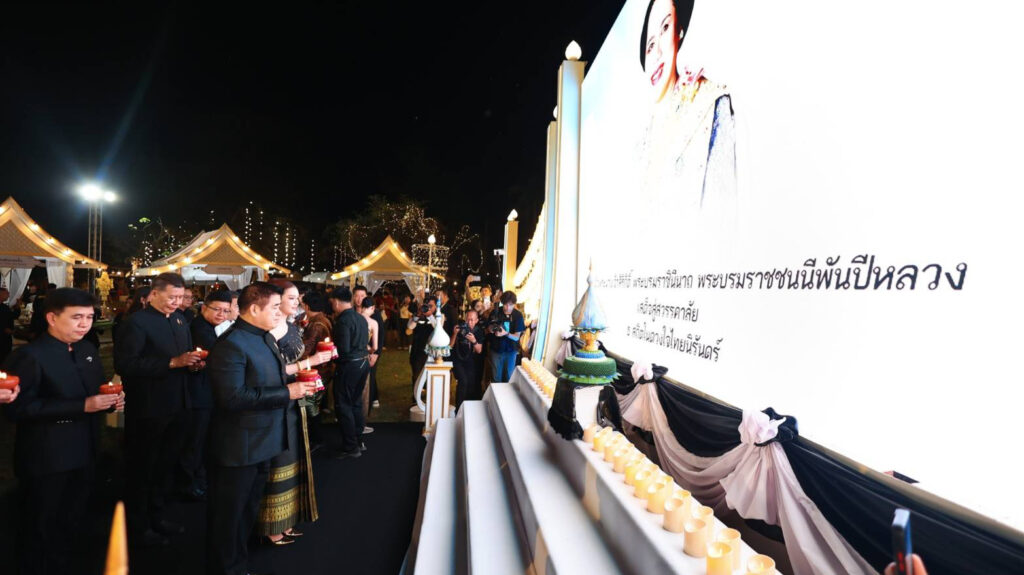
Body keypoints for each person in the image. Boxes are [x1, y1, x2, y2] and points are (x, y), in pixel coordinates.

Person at [3, 288, 124, 574]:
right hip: (47, 457)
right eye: (77, 317)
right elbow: (16, 410)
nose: (84, 324)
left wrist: (110, 401)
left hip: (86, 450)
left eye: (90, 318)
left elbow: (94, 392)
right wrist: (83, 405)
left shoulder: (87, 350)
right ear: (51, 318)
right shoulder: (30, 356)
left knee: (72, 522)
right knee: (40, 527)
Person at [206, 282, 318, 575]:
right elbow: (231, 397)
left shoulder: (265, 339)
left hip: (264, 440)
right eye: (275, 307)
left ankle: (239, 561)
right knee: (229, 514)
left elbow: (275, 376)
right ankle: (226, 566)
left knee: (248, 509)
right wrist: (287, 393)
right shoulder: (231, 344)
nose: (280, 312)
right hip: (238, 445)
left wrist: (297, 385)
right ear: (253, 309)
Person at [114, 272, 202, 546]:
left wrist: (193, 363)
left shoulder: (178, 320)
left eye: (181, 298)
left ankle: (158, 514)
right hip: (149, 408)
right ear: (154, 294)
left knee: (166, 464)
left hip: (178, 405)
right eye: (171, 297)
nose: (176, 303)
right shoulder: (136, 324)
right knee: (143, 467)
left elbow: (183, 355)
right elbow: (126, 365)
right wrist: (172, 363)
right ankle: (137, 526)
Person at [637, 0, 735, 215]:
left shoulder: (711, 103)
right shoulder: (642, 145)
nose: (657, 53)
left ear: (678, 31)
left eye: (664, 28)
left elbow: (724, 213)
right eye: (650, 46)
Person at [257, 281, 330, 545]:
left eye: (297, 298)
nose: (297, 302)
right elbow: (276, 371)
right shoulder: (270, 331)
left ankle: (287, 520)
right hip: (279, 398)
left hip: (295, 397)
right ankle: (272, 525)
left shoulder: (290, 326)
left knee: (295, 457)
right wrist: (310, 363)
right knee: (279, 460)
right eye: (290, 298)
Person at [179, 290, 234, 502]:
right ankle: (189, 483)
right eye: (217, 309)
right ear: (204, 308)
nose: (222, 314)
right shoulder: (199, 328)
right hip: (198, 392)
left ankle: (199, 478)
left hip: (211, 391)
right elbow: (219, 354)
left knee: (204, 439)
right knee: (195, 440)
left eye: (226, 310)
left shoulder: (219, 327)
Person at [329, 286, 369, 459]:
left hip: (349, 365)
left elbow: (343, 349)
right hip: (362, 363)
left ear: (336, 302)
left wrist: (331, 355)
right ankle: (358, 440)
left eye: (332, 303)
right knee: (356, 402)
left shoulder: (343, 321)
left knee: (344, 404)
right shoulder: (360, 318)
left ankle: (351, 446)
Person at [298, 290, 334, 450]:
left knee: (310, 405)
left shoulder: (316, 325)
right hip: (323, 369)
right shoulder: (323, 319)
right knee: (313, 403)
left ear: (306, 306)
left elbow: (305, 350)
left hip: (316, 371)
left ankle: (316, 438)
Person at [486, 291, 525, 383]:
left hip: (511, 350)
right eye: (505, 305)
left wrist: (505, 333)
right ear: (502, 303)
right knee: (496, 377)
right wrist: (491, 329)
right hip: (496, 349)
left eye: (510, 305)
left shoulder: (518, 315)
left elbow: (516, 337)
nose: (508, 307)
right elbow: (488, 328)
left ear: (514, 304)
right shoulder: (496, 312)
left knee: (508, 377)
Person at [450, 308, 485, 408]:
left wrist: (474, 341)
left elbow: (479, 350)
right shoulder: (459, 328)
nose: (469, 322)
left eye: (472, 320)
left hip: (471, 361)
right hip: (458, 360)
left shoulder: (478, 331)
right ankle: (459, 408)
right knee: (463, 381)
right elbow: (450, 346)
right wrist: (455, 333)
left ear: (477, 320)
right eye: (468, 319)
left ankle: (468, 408)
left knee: (471, 384)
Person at [406, 295, 437, 395]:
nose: (428, 308)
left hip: (431, 351)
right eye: (427, 306)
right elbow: (410, 326)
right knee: (416, 375)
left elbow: (438, 327)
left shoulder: (438, 316)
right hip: (418, 349)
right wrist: (417, 315)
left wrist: (430, 315)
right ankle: (415, 398)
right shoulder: (418, 315)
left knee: (430, 376)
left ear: (436, 307)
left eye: (431, 306)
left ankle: (430, 397)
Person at [359, 297, 380, 431]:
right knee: (364, 392)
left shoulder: (354, 318)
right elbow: (375, 346)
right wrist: (369, 350)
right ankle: (361, 424)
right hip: (363, 358)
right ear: (372, 308)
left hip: (350, 358)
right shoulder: (372, 322)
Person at [0, 287, 15, 364]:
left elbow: (12, 316)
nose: (8, 295)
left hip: (6, 338)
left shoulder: (4, 307)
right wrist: (4, 329)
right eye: (7, 293)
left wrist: (17, 306)